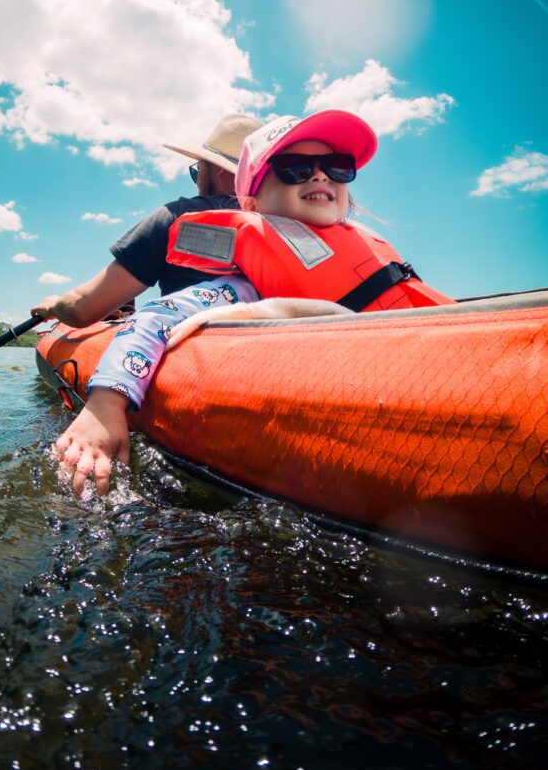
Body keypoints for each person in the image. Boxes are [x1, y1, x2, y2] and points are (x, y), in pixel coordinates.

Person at [51, 110, 453, 498]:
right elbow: (158, 318)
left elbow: (84, 305)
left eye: (338, 167)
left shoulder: (367, 248)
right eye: (293, 167)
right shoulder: (243, 284)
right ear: (252, 201)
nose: (319, 174)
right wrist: (106, 403)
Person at [30, 113, 262, 327]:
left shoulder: (178, 219)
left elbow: (82, 309)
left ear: (219, 173)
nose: (197, 179)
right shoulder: (282, 230)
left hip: (193, 354)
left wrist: (53, 305)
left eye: (197, 170)